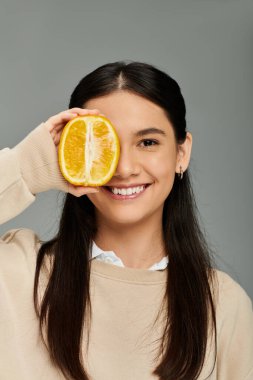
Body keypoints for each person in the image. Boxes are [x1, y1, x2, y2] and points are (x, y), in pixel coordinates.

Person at [0, 61, 252, 380]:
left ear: (181, 153)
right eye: (104, 144)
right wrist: (26, 167)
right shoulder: (16, 273)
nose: (124, 168)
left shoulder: (222, 305)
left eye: (147, 142)